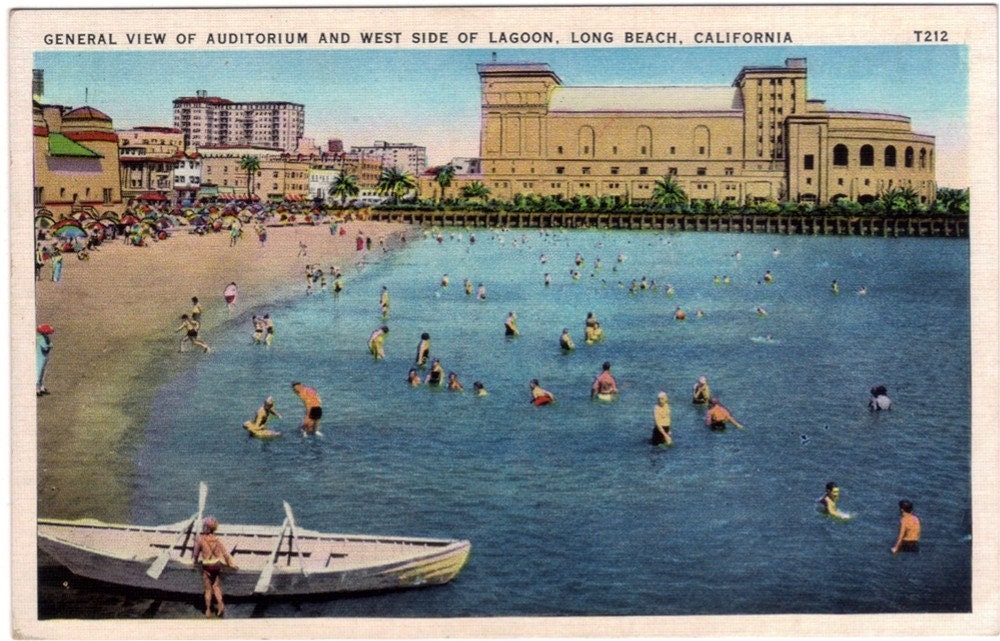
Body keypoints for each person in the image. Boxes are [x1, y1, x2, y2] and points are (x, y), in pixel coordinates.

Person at [192, 516, 237, 618]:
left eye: (204, 526)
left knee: (208, 590)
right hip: (216, 566)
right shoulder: (217, 540)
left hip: (207, 566)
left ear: (206, 528)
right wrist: (231, 564)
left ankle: (208, 610)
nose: (203, 528)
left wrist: (194, 562)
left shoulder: (201, 539)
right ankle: (220, 604)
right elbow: (226, 554)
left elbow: (195, 554)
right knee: (216, 587)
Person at [36, 324, 54, 396]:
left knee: (42, 373)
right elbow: (45, 348)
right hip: (39, 358)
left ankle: (41, 387)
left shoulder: (46, 338)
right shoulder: (40, 339)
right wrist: (50, 346)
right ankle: (37, 389)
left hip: (44, 358)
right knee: (39, 373)